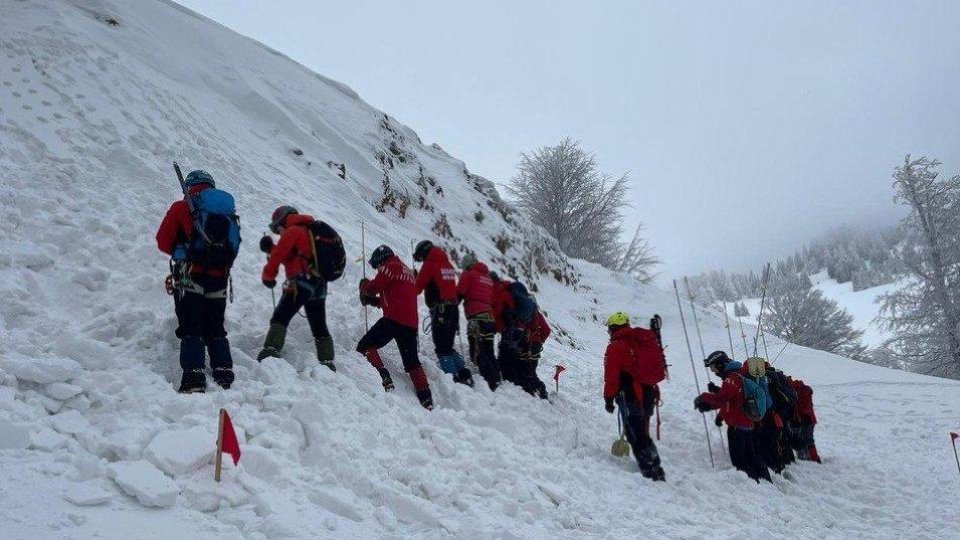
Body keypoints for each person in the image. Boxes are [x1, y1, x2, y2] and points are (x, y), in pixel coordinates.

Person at [156, 169, 239, 394]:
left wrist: (183, 250)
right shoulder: (226, 212)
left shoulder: (182, 207)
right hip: (219, 277)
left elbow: (163, 241)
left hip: (187, 274)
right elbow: (233, 245)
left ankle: (194, 378)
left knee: (191, 325)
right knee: (215, 325)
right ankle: (223, 371)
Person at [256, 206, 338, 371]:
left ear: (283, 220)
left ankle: (271, 350)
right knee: (318, 323)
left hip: (301, 281)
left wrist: (268, 277)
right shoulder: (308, 231)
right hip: (319, 284)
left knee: (281, 316)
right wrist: (271, 248)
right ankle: (327, 362)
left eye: (278, 228)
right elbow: (291, 256)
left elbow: (279, 256)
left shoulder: (293, 231)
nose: (279, 233)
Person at [358, 245, 434, 410]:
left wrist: (364, 287)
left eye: (377, 265)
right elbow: (392, 298)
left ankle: (384, 377)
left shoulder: (391, 266)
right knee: (412, 362)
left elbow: (375, 286)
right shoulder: (405, 271)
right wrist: (372, 301)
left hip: (393, 319)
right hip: (410, 323)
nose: (378, 269)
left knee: (365, 346)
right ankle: (426, 398)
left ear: (381, 259)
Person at [602, 312, 667, 481]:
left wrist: (608, 398)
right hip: (648, 394)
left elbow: (612, 376)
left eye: (610, 329)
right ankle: (654, 466)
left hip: (630, 395)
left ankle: (652, 471)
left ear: (613, 328)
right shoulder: (639, 340)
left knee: (635, 434)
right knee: (642, 430)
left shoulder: (616, 346)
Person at [695, 351, 771, 482]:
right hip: (746, 423)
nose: (713, 372)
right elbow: (733, 401)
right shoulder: (738, 375)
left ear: (720, 365)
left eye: (713, 367)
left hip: (738, 426)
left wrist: (703, 398)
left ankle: (752, 485)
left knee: (740, 459)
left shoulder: (732, 378)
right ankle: (764, 481)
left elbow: (723, 398)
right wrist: (718, 413)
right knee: (751, 455)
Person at [413, 240, 473, 387]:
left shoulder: (430, 264)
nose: (421, 260)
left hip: (440, 311)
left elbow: (417, 288)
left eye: (420, 257)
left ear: (423, 253)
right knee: (448, 346)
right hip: (452, 310)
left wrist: (414, 278)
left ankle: (453, 382)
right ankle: (464, 373)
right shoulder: (448, 265)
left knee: (441, 348)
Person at [457, 253, 501, 390]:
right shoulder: (487, 277)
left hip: (477, 320)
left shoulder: (468, 274)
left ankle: (490, 384)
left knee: (478, 353)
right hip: (489, 319)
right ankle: (497, 380)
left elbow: (459, 293)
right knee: (488, 350)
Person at [519, 310, 551, 399]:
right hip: (536, 346)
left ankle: (534, 390)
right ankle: (539, 390)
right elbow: (547, 330)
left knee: (524, 369)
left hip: (524, 345)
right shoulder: (537, 314)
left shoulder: (521, 311)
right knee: (531, 370)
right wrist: (540, 341)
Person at [789, 377, 821, 463]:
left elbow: (799, 408)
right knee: (807, 439)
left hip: (804, 419)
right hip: (810, 418)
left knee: (805, 439)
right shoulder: (805, 389)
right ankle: (812, 457)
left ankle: (813, 459)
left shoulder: (796, 392)